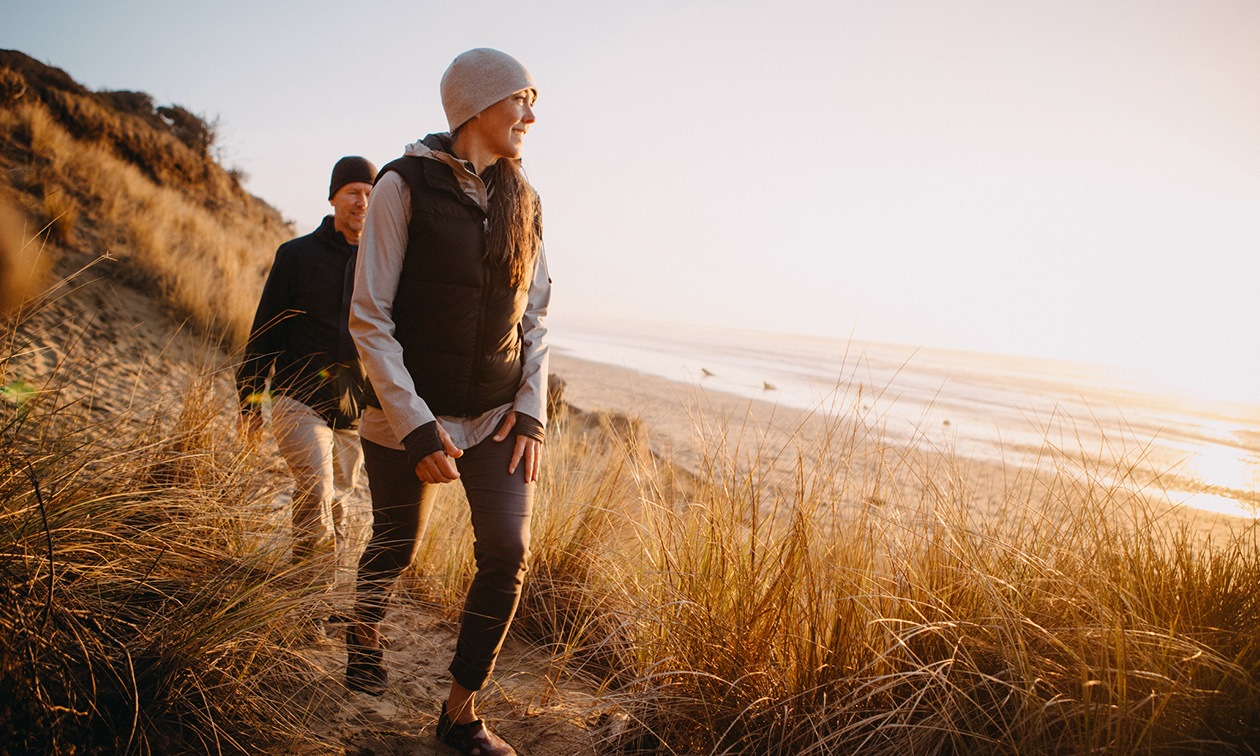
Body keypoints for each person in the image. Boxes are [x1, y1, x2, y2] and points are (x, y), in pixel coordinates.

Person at [347, 48, 549, 756]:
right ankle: (364, 631)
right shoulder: (402, 186)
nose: (531, 113)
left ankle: (460, 713)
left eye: (532, 99)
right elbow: (369, 318)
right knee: (396, 545)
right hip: (410, 415)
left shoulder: (526, 200)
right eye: (519, 98)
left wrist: (532, 410)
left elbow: (537, 318)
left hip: (498, 415)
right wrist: (416, 426)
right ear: (474, 106)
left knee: (506, 551)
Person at [237, 156, 375, 580]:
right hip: (297, 399)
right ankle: (308, 599)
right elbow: (266, 332)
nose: (362, 201)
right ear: (333, 196)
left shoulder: (382, 265)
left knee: (338, 502)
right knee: (316, 490)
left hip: (352, 411)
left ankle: (320, 589)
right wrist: (249, 402)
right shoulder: (297, 255)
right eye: (353, 191)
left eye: (371, 194)